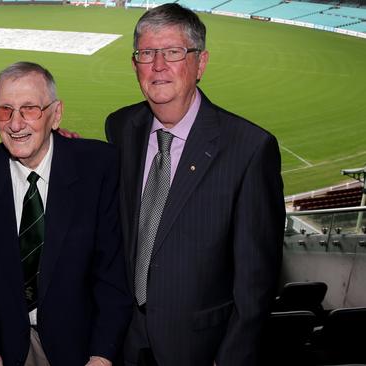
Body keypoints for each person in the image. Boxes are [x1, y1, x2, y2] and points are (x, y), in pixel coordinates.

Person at [105, 4, 284, 366]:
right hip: (124, 340)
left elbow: (256, 284)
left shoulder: (249, 149)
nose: (157, 66)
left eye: (173, 52)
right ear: (134, 63)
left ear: (200, 63)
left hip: (198, 349)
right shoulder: (121, 127)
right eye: (146, 53)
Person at [0, 62, 131, 366]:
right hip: (6, 350)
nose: (15, 124)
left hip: (84, 349)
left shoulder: (99, 167)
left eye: (30, 109)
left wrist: (102, 355)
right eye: (3, 110)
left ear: (56, 114)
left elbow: (112, 273)